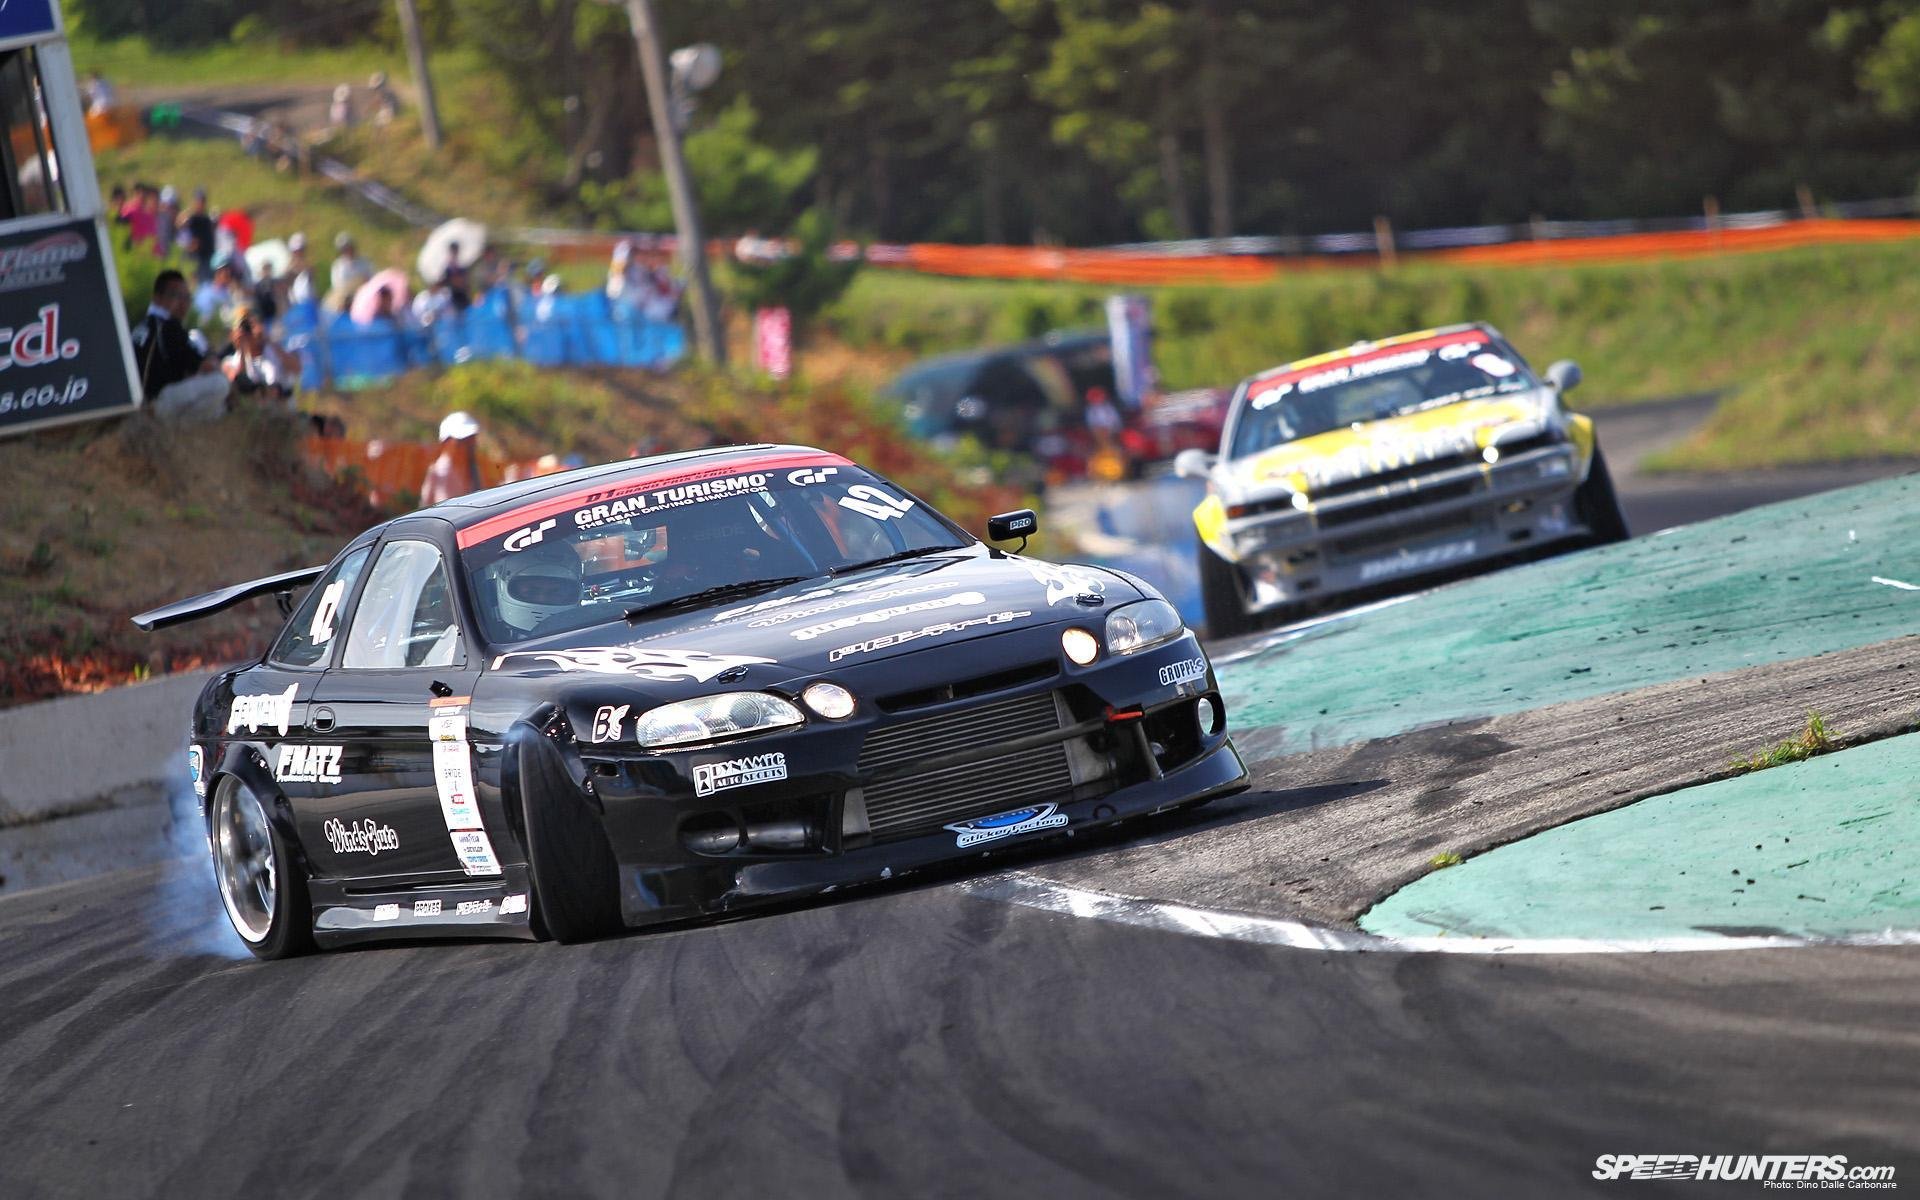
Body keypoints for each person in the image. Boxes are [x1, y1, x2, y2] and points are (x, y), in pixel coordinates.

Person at [131, 270, 229, 421]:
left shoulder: (141, 326)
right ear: (157, 297)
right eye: (176, 296)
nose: (183, 303)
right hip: (158, 401)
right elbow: (204, 366)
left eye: (187, 297)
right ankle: (177, 427)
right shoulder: (166, 325)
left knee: (219, 410)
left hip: (144, 402)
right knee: (220, 383)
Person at [222, 306, 301, 403]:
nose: (248, 332)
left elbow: (297, 369)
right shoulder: (232, 361)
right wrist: (242, 347)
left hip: (283, 405)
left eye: (250, 326)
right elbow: (236, 381)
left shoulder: (275, 350)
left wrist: (268, 339)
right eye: (244, 328)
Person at [420, 411, 485, 505]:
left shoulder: (473, 469)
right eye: (463, 440)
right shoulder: (438, 473)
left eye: (471, 439)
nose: (469, 444)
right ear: (446, 442)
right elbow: (426, 506)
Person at [327, 232, 372, 310]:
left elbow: (371, 279)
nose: (348, 251)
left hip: (363, 297)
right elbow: (337, 286)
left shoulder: (365, 262)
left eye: (349, 247)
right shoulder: (337, 266)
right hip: (345, 300)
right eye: (344, 249)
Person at [180, 189, 215, 278]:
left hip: (206, 259)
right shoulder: (191, 220)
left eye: (202, 201)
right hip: (193, 259)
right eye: (198, 201)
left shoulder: (206, 220)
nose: (200, 204)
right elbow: (184, 240)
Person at [285, 233, 316, 307]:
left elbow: (312, 276)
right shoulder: (289, 267)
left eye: (301, 250)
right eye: (297, 251)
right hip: (294, 302)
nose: (299, 253)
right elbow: (287, 282)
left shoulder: (308, 266)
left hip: (309, 301)